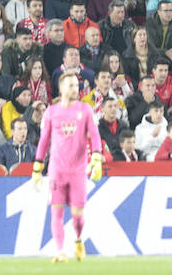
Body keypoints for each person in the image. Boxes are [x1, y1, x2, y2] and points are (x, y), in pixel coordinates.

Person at [31, 70, 103, 263]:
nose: (75, 88)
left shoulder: (85, 109)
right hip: (56, 170)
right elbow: (44, 140)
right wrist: (37, 168)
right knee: (56, 211)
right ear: (61, 88)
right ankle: (60, 251)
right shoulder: (51, 112)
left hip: (78, 170)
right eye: (70, 85)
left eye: (76, 85)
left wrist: (96, 157)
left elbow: (94, 136)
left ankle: (78, 240)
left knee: (77, 215)